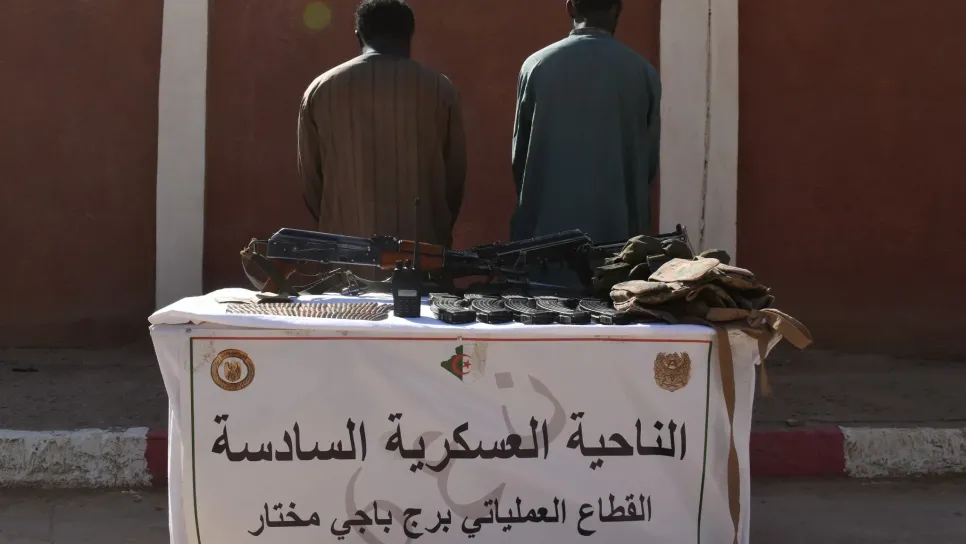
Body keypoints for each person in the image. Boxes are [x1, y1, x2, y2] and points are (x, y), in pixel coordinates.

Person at [298, 0, 467, 253]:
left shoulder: (322, 89)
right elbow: (454, 178)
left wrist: (339, 221)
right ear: (409, 35)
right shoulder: (440, 89)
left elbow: (312, 182)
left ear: (359, 35)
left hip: (346, 254)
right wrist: (435, 228)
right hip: (422, 253)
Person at [510, 0, 661, 247]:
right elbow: (648, 164)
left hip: (544, 244)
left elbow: (520, 160)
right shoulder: (643, 73)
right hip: (618, 245)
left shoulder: (536, 66)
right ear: (617, 9)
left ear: (570, 7)